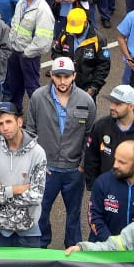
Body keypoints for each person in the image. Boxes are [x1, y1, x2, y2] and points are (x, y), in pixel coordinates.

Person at [25, 56, 96, 248]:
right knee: (41, 210)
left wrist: (82, 165)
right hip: (46, 170)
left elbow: (90, 137)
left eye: (66, 76)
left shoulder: (86, 101)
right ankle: (41, 246)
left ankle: (72, 248)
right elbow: (30, 132)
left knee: (74, 213)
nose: (62, 81)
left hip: (74, 171)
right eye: (58, 76)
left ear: (74, 76)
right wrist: (37, 164)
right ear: (52, 76)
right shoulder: (38, 97)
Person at [0, 102, 48, 247]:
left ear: (19, 122)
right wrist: (16, 190)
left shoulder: (38, 153)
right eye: (0, 124)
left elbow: (35, 196)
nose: (5, 127)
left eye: (8, 121)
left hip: (28, 231)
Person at [83, 84, 134, 185]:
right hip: (106, 189)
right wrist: (93, 184)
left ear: (131, 106)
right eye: (112, 102)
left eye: (118, 104)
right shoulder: (101, 126)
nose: (112, 107)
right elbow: (91, 158)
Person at [87, 140, 134, 241]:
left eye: (121, 162)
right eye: (115, 159)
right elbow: (93, 216)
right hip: (102, 248)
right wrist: (111, 242)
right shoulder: (102, 182)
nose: (115, 165)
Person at [6, 0, 55, 111]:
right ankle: (15, 110)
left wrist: (27, 53)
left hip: (29, 56)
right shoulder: (21, 2)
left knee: (32, 88)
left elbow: (43, 40)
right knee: (14, 85)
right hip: (15, 51)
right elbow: (15, 24)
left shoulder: (42, 9)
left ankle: (38, 114)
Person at [51, 7, 111, 99]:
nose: (74, 32)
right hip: (65, 85)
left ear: (85, 22)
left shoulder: (98, 39)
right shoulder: (65, 33)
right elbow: (56, 52)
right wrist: (65, 62)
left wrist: (94, 88)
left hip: (86, 89)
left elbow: (103, 66)